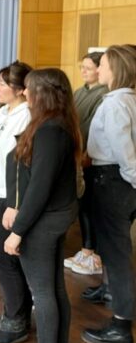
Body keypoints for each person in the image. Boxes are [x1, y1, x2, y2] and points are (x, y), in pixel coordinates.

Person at [2, 69, 81, 343]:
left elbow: (39, 187)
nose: (24, 93)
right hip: (55, 216)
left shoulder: (50, 130)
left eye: (28, 89)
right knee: (54, 288)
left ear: (42, 93)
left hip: (45, 221)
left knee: (43, 292)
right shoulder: (56, 124)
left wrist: (17, 231)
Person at [82, 45, 136, 343]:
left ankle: (120, 328)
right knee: (116, 252)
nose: (97, 70)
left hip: (113, 181)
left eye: (101, 65)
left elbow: (123, 152)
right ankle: (116, 306)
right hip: (118, 181)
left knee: (116, 256)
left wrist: (130, 180)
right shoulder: (128, 100)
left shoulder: (115, 105)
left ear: (115, 69)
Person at [0, 61, 33, 343]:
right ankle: (16, 311)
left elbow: (20, 167)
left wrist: (14, 202)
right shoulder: (2, 111)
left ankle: (16, 321)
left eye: (2, 83)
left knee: (3, 258)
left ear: (21, 89)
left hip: (12, 199)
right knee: (6, 259)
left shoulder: (26, 116)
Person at [63, 52, 108, 276]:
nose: (83, 72)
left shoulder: (104, 94)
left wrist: (85, 152)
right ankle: (86, 248)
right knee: (83, 205)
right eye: (82, 67)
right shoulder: (80, 91)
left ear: (100, 69)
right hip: (76, 153)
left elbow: (92, 127)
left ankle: (93, 252)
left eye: (88, 68)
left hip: (90, 156)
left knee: (91, 206)